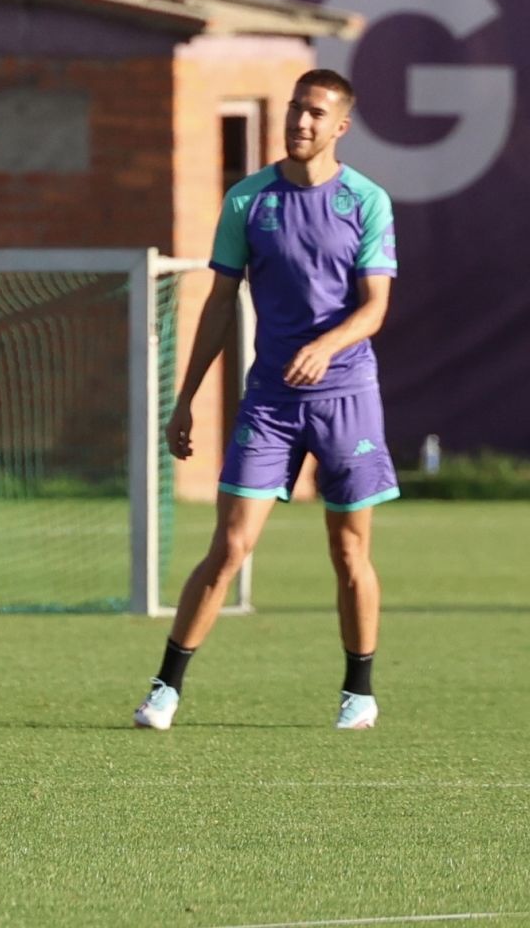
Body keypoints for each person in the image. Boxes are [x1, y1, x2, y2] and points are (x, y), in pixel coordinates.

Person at [135, 69, 398, 733]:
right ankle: (165, 688)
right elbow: (219, 302)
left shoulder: (366, 201)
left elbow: (374, 308)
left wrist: (327, 346)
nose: (301, 122)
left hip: (347, 398)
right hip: (272, 401)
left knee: (349, 552)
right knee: (229, 546)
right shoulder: (248, 200)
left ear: (341, 127)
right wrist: (186, 398)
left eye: (316, 113)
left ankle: (359, 691)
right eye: (295, 109)